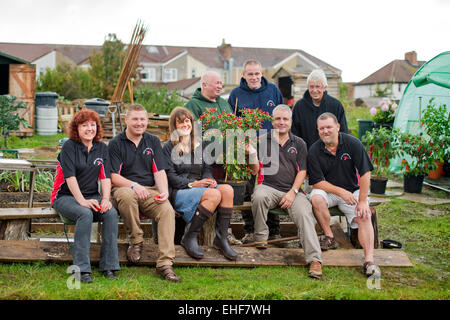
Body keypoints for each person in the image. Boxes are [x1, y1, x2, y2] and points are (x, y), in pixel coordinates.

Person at [109, 104, 180, 282]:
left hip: (149, 191)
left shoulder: (153, 141)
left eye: (142, 119)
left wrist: (163, 192)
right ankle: (136, 241)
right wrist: (134, 185)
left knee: (167, 210)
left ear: (147, 121)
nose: (139, 123)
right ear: (126, 120)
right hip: (124, 188)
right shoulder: (116, 143)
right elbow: (113, 176)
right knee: (126, 195)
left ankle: (165, 264)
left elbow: (159, 171)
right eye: (135, 119)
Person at [251, 105, 323, 279]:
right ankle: (261, 237)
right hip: (269, 187)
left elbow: (302, 171)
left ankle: (314, 259)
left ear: (290, 122)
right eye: (277, 119)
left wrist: (293, 191)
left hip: (293, 191)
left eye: (285, 119)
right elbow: (254, 171)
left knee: (304, 214)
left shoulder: (299, 143)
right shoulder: (262, 140)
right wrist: (252, 154)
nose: (281, 122)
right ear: (272, 120)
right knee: (258, 195)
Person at [162, 107, 240, 260]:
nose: (185, 125)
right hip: (180, 191)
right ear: (174, 126)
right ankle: (190, 236)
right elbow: (170, 177)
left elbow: (207, 169)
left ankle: (221, 238)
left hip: (201, 188)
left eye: (187, 121)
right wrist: (193, 184)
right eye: (180, 122)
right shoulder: (168, 147)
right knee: (214, 194)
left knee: (228, 190)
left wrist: (209, 180)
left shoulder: (199, 145)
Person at [51, 108, 120, 283]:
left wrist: (105, 199)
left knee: (111, 213)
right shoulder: (69, 146)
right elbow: (69, 177)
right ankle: (82, 270)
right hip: (65, 196)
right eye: (84, 125)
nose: (89, 129)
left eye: (92, 125)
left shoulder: (101, 148)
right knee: (85, 213)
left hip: (92, 195)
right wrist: (81, 201)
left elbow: (105, 177)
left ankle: (109, 266)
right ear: (77, 128)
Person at [307, 112, 380, 277]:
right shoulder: (314, 150)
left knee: (365, 214)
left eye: (329, 127)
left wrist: (362, 201)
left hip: (352, 190)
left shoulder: (352, 143)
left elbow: (365, 173)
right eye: (322, 128)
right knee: (316, 197)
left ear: (338, 127)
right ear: (318, 130)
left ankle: (369, 261)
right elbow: (317, 182)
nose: (325, 131)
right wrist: (340, 192)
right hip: (329, 192)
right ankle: (329, 236)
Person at [227, 59, 283, 244]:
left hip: (271, 146)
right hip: (246, 149)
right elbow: (231, 122)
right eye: (250, 74)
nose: (254, 77)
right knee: (249, 189)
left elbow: (281, 116)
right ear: (243, 75)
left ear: (262, 74)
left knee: (271, 186)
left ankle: (274, 231)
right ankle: (251, 230)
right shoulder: (236, 94)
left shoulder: (273, 90)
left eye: (257, 73)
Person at [291, 69, 348, 150]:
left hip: (331, 153)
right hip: (307, 154)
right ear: (308, 87)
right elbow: (295, 134)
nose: (314, 90)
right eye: (311, 87)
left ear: (324, 88)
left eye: (318, 86)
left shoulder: (335, 105)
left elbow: (343, 132)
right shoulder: (299, 107)